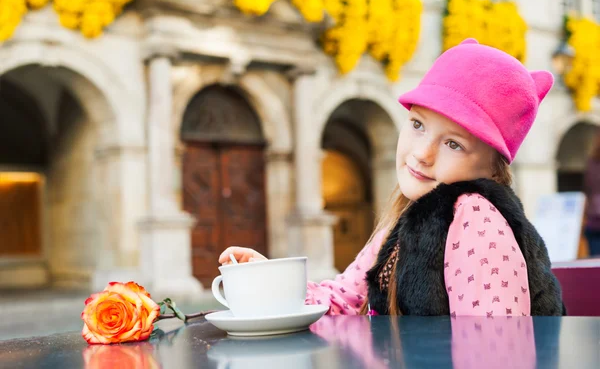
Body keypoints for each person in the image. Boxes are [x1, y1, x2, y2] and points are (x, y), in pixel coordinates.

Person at [218, 39, 565, 317]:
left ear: (491, 169)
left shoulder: (476, 217)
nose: (422, 153)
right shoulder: (408, 216)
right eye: (417, 124)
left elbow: (495, 349)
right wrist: (271, 279)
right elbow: (343, 300)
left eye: (453, 144)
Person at [583, 131, 600, 257]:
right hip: (594, 219)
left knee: (594, 261)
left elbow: (587, 189)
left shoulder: (591, 162)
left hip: (592, 218)